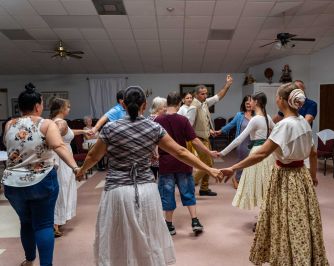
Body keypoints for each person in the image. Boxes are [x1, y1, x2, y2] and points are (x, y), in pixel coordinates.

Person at [75, 86, 223, 266]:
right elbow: (181, 151)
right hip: (145, 190)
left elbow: (93, 156)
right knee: (147, 234)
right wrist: (209, 169)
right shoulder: (153, 127)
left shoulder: (110, 128)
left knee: (118, 235)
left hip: (117, 192)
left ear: (123, 104)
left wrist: (81, 171)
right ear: (144, 106)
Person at [221, 83, 329, 266]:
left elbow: (261, 154)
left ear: (282, 101)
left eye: (277, 97)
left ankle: (287, 258)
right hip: (302, 175)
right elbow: (313, 153)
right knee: (301, 218)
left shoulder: (284, 126)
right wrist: (313, 176)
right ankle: (303, 257)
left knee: (285, 219)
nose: (276, 100)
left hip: (286, 176)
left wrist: (233, 168)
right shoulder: (304, 122)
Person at [2, 83, 80, 266]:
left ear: (20, 107)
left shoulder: (9, 124)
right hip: (41, 181)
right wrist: (75, 167)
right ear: (38, 106)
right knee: (44, 224)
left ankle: (29, 261)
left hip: (13, 184)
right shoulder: (46, 124)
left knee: (26, 222)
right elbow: (59, 146)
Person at [155, 92, 219, 236]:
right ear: (179, 104)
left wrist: (155, 153)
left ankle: (169, 225)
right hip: (183, 162)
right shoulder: (183, 120)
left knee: (167, 194)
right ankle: (195, 221)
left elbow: (153, 141)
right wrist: (209, 153)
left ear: (167, 104)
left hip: (166, 163)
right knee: (188, 192)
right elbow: (195, 141)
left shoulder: (158, 120)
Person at [218, 92, 275, 210]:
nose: (249, 103)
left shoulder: (255, 119)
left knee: (258, 183)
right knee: (265, 183)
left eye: (252, 101)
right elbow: (276, 130)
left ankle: (263, 214)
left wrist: (222, 153)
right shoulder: (267, 117)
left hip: (256, 151)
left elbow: (239, 139)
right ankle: (265, 212)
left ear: (256, 102)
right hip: (267, 151)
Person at [188, 74, 233, 196]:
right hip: (198, 140)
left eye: (206, 93)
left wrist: (227, 85)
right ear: (196, 94)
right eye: (202, 94)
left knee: (210, 163)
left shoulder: (204, 103)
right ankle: (190, 185)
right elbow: (188, 126)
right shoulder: (193, 107)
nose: (205, 95)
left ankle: (204, 188)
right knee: (207, 164)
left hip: (206, 138)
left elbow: (218, 96)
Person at [49, 98, 89, 237]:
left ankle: (56, 221)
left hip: (61, 156)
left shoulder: (54, 122)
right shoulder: (61, 123)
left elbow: (69, 132)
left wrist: (83, 132)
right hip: (62, 158)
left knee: (62, 187)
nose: (69, 109)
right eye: (68, 106)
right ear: (61, 108)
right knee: (62, 188)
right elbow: (55, 136)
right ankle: (54, 224)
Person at [215, 95, 254, 189]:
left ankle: (249, 179)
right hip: (241, 142)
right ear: (244, 104)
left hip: (253, 141)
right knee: (242, 160)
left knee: (252, 160)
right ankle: (236, 179)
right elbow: (231, 125)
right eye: (246, 103)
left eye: (250, 102)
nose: (248, 104)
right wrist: (220, 131)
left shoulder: (257, 116)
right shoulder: (239, 115)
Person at [148, 97, 167, 179]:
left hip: (150, 154)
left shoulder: (148, 118)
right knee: (162, 180)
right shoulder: (159, 119)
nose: (166, 109)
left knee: (152, 180)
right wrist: (156, 154)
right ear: (157, 108)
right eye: (164, 107)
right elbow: (157, 140)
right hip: (157, 155)